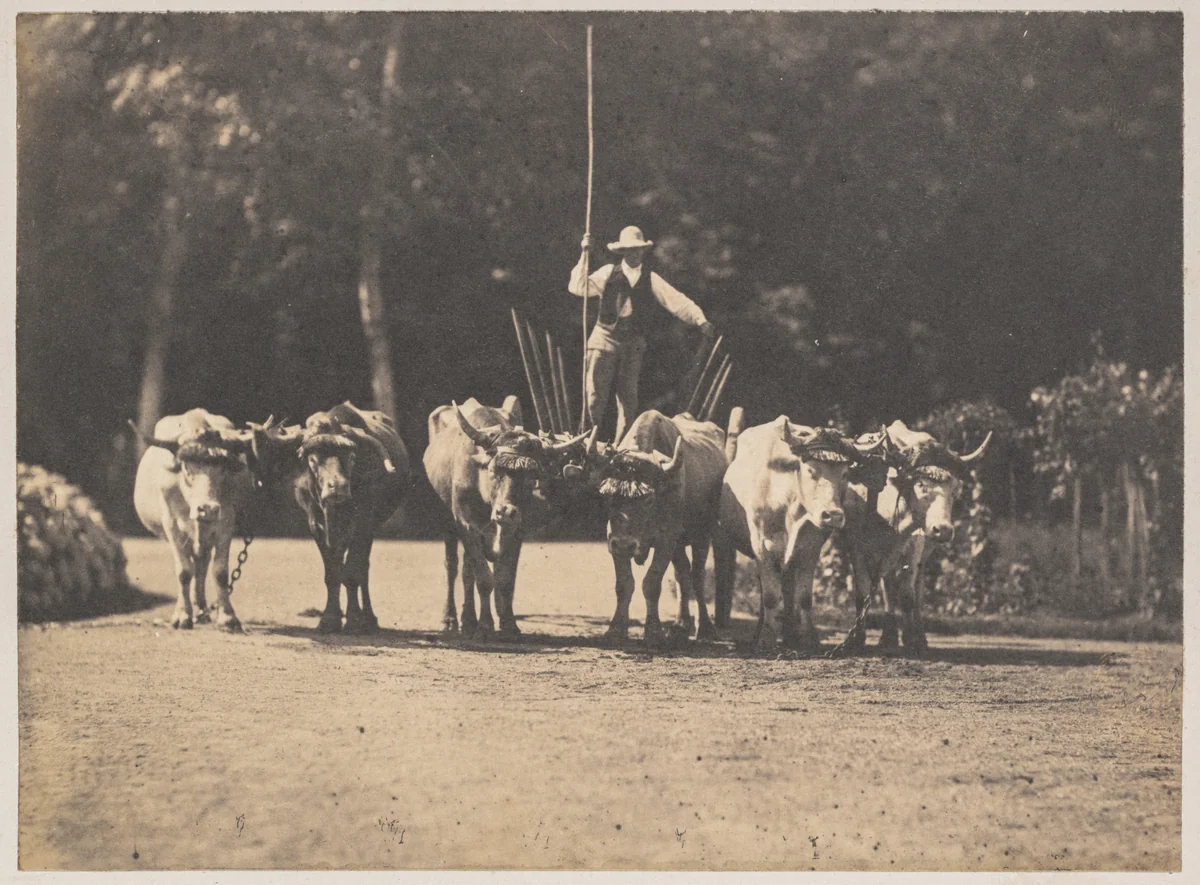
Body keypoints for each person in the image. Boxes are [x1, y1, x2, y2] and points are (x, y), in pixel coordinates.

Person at [569, 225, 716, 443]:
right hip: (604, 338)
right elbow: (579, 287)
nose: (634, 254)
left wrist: (700, 319)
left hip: (633, 343)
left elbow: (676, 301)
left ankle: (622, 447)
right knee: (594, 395)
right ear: (622, 252)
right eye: (629, 250)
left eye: (637, 249)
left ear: (643, 251)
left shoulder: (651, 278)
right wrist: (584, 254)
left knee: (628, 400)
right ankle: (586, 440)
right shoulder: (608, 273)